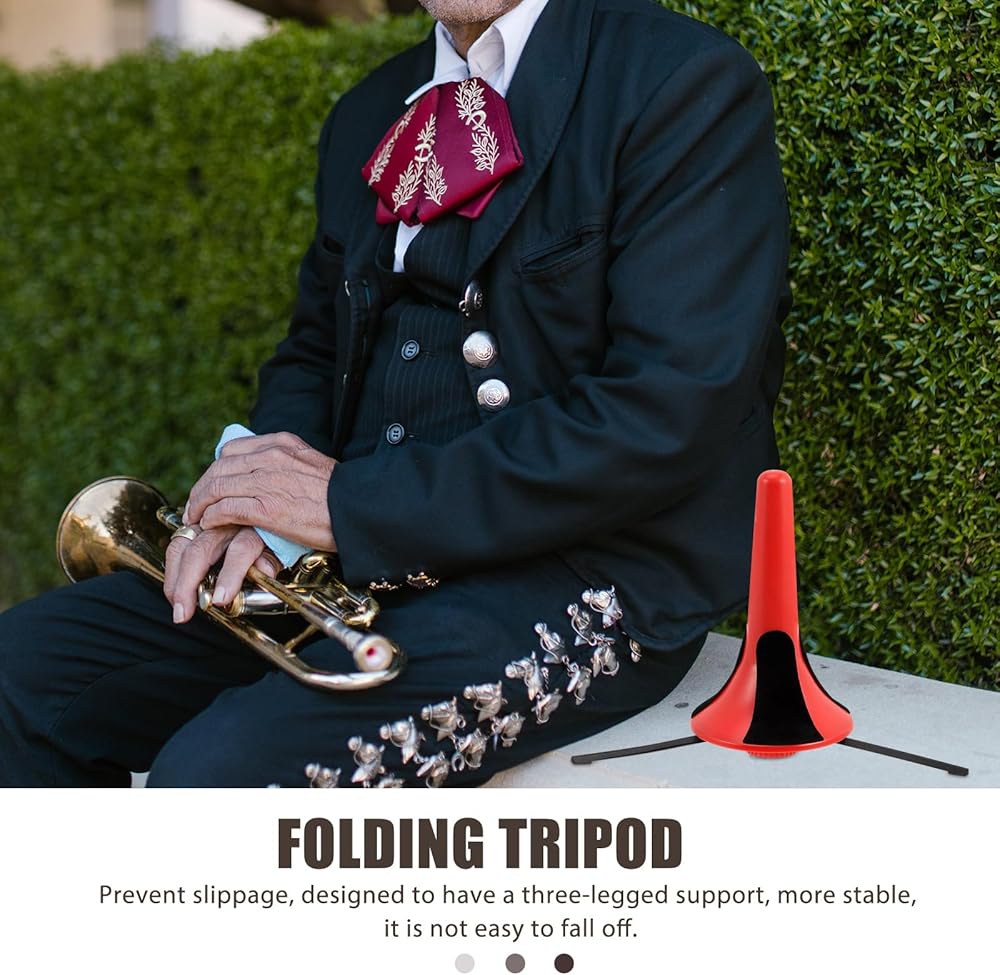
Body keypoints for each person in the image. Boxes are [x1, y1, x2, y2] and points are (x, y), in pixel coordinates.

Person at [0, 0, 789, 787]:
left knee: (217, 779)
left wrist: (350, 507)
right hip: (352, 555)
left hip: (584, 568)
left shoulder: (682, 81)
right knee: (17, 676)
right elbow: (315, 351)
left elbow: (666, 408)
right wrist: (260, 506)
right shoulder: (367, 110)